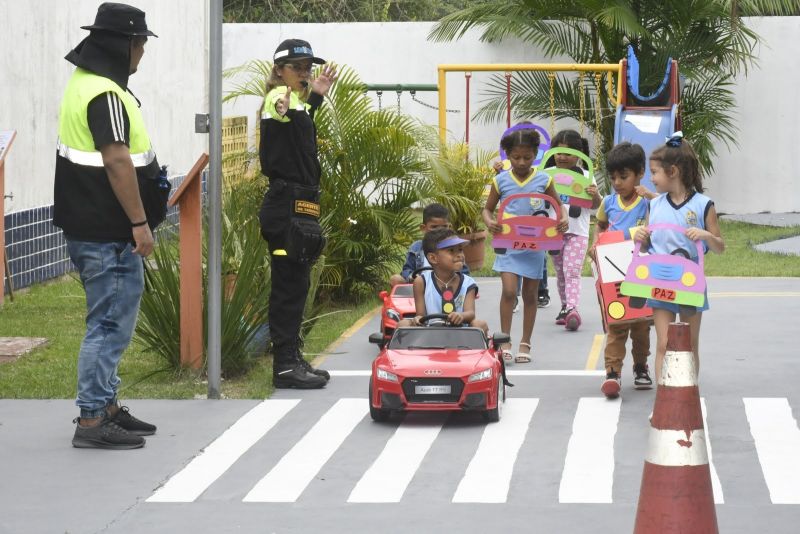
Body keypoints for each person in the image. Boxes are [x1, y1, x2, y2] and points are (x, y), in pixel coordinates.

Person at [54, 2, 166, 449]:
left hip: (93, 227)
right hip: (109, 233)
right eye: (141, 43)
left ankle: (108, 405)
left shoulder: (84, 84)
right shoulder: (105, 94)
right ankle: (94, 419)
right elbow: (117, 158)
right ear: (125, 45)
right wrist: (140, 224)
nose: (143, 52)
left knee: (112, 319)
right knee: (107, 324)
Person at [258, 39, 337, 389]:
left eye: (308, 67)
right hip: (285, 207)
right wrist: (282, 104)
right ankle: (285, 365)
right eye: (297, 67)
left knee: (297, 283)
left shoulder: (300, 108)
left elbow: (298, 133)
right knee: (288, 287)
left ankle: (292, 358)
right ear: (279, 71)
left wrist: (315, 97)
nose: (304, 74)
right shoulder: (275, 102)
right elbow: (279, 113)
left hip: (300, 207)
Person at [633, 132, 725, 387]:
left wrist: (706, 234)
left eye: (655, 172)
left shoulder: (704, 205)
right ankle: (664, 397)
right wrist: (641, 237)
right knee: (663, 342)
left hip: (689, 283)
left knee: (687, 344)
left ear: (672, 171)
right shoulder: (655, 205)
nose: (651, 179)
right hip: (659, 281)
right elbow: (649, 243)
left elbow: (720, 247)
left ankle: (689, 394)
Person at [483, 128, 569, 364]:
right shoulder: (500, 180)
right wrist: (490, 222)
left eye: (527, 157)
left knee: (530, 294)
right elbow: (487, 208)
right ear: (507, 155)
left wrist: (563, 218)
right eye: (515, 157)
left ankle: (525, 342)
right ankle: (505, 340)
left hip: (534, 243)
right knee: (509, 291)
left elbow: (558, 205)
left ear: (536, 156)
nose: (521, 162)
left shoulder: (544, 179)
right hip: (508, 243)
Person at [590, 142, 652, 398]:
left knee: (640, 325)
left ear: (639, 174)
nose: (617, 182)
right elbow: (601, 226)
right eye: (613, 177)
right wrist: (594, 246)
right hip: (612, 274)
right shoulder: (608, 202)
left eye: (623, 177)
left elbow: (653, 233)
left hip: (639, 273)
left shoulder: (647, 204)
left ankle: (640, 366)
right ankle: (612, 373)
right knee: (615, 324)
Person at [544, 130, 602, 331]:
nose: (561, 157)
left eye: (567, 153)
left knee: (572, 271)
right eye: (558, 152)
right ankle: (564, 306)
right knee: (560, 272)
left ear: (578, 155)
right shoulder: (546, 175)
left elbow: (596, 205)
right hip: (554, 230)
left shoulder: (587, 176)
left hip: (577, 231)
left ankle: (572, 308)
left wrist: (594, 195)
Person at [397, 228, 488, 334]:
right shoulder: (421, 282)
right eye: (451, 251)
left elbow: (471, 313)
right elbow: (420, 314)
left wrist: (461, 316)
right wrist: (417, 319)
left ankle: (484, 349)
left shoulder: (468, 283)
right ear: (433, 258)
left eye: (460, 249)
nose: (459, 255)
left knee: (479, 324)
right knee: (402, 324)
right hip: (430, 333)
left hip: (462, 335)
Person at [389, 203, 469, 286]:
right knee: (395, 279)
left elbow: (464, 272)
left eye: (444, 227)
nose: (439, 231)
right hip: (420, 286)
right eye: (434, 227)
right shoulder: (416, 247)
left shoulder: (454, 247)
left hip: (446, 287)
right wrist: (412, 277)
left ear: (449, 227)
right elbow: (406, 270)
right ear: (423, 228)